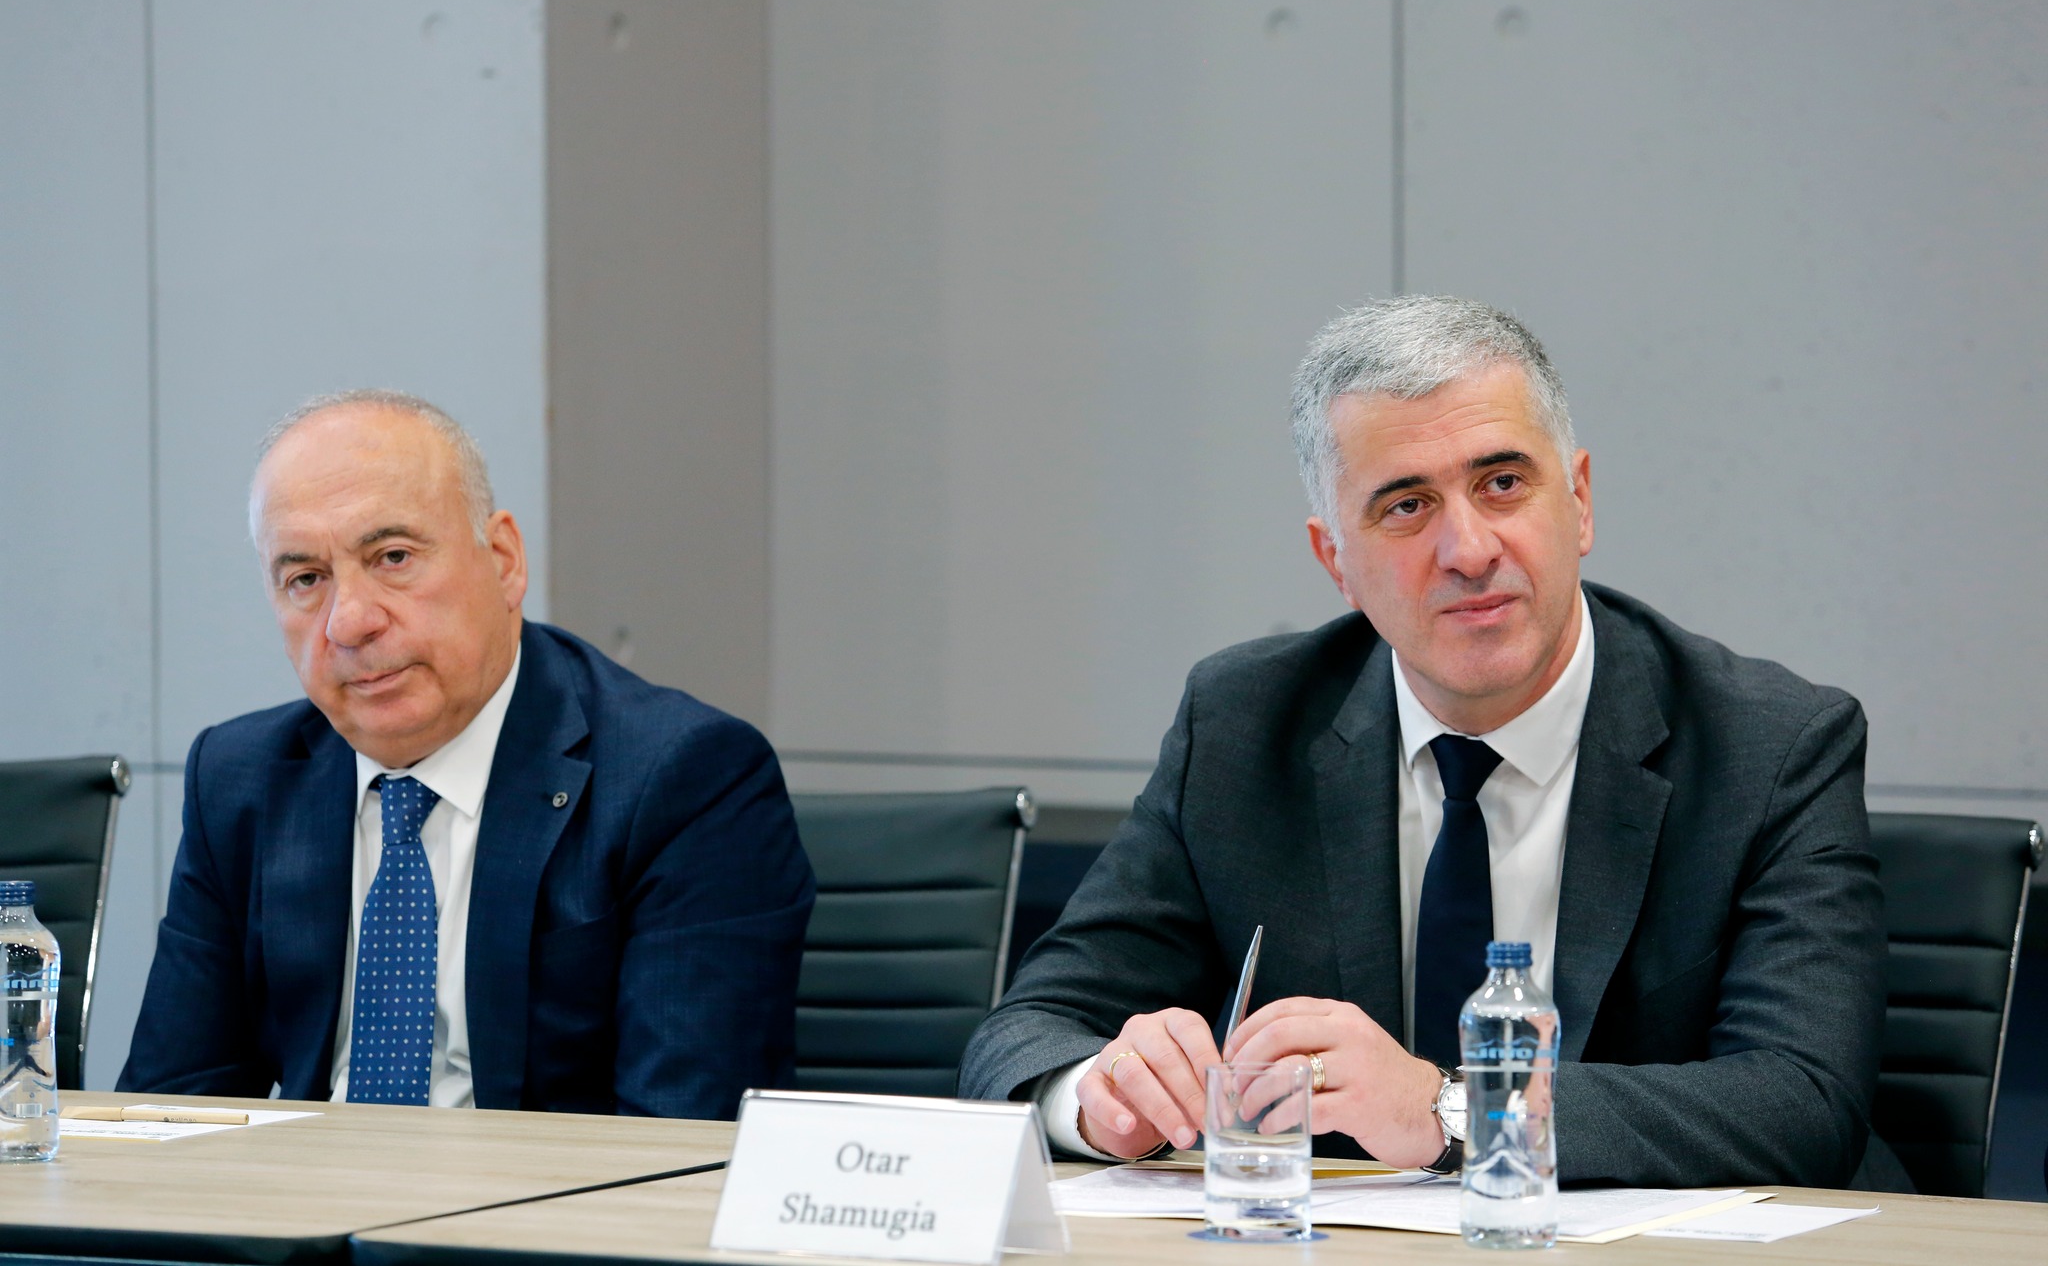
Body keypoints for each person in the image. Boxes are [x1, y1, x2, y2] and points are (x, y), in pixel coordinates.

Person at [959, 297, 1908, 1190]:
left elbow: (1804, 1100)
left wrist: (1450, 1108)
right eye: (1406, 505)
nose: (1469, 549)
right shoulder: (1244, 725)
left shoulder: (1769, 746)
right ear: (1336, 559)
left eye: (1503, 483)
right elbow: (1028, 1032)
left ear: (1579, 502)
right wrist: (1099, 1094)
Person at [121, 390, 814, 1117]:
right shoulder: (241, 780)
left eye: (393, 557)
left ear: (504, 560)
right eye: (306, 579)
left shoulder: (682, 779)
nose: (349, 622)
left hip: (543, 1192)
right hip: (305, 1186)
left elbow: (679, 1139)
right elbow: (166, 1112)